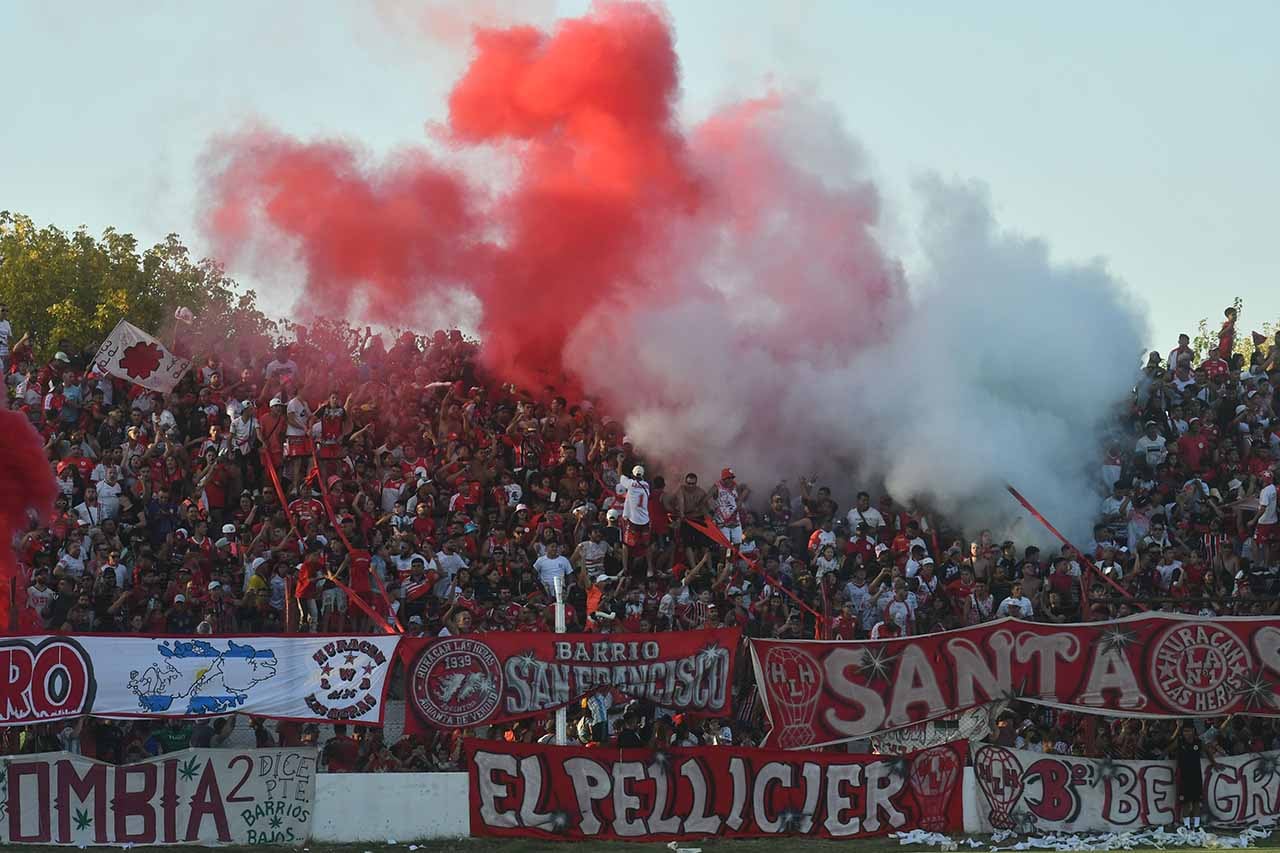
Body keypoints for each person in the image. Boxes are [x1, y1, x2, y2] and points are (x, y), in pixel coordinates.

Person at [1172, 723, 1204, 828]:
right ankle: (1186, 826)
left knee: (1196, 802)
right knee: (1185, 802)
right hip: (1184, 777)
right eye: (1185, 731)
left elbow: (1208, 752)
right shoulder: (1179, 743)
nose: (1187, 733)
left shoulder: (1198, 743)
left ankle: (1197, 826)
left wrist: (1214, 763)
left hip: (1196, 776)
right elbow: (1168, 749)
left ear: (1193, 731)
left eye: (1189, 731)